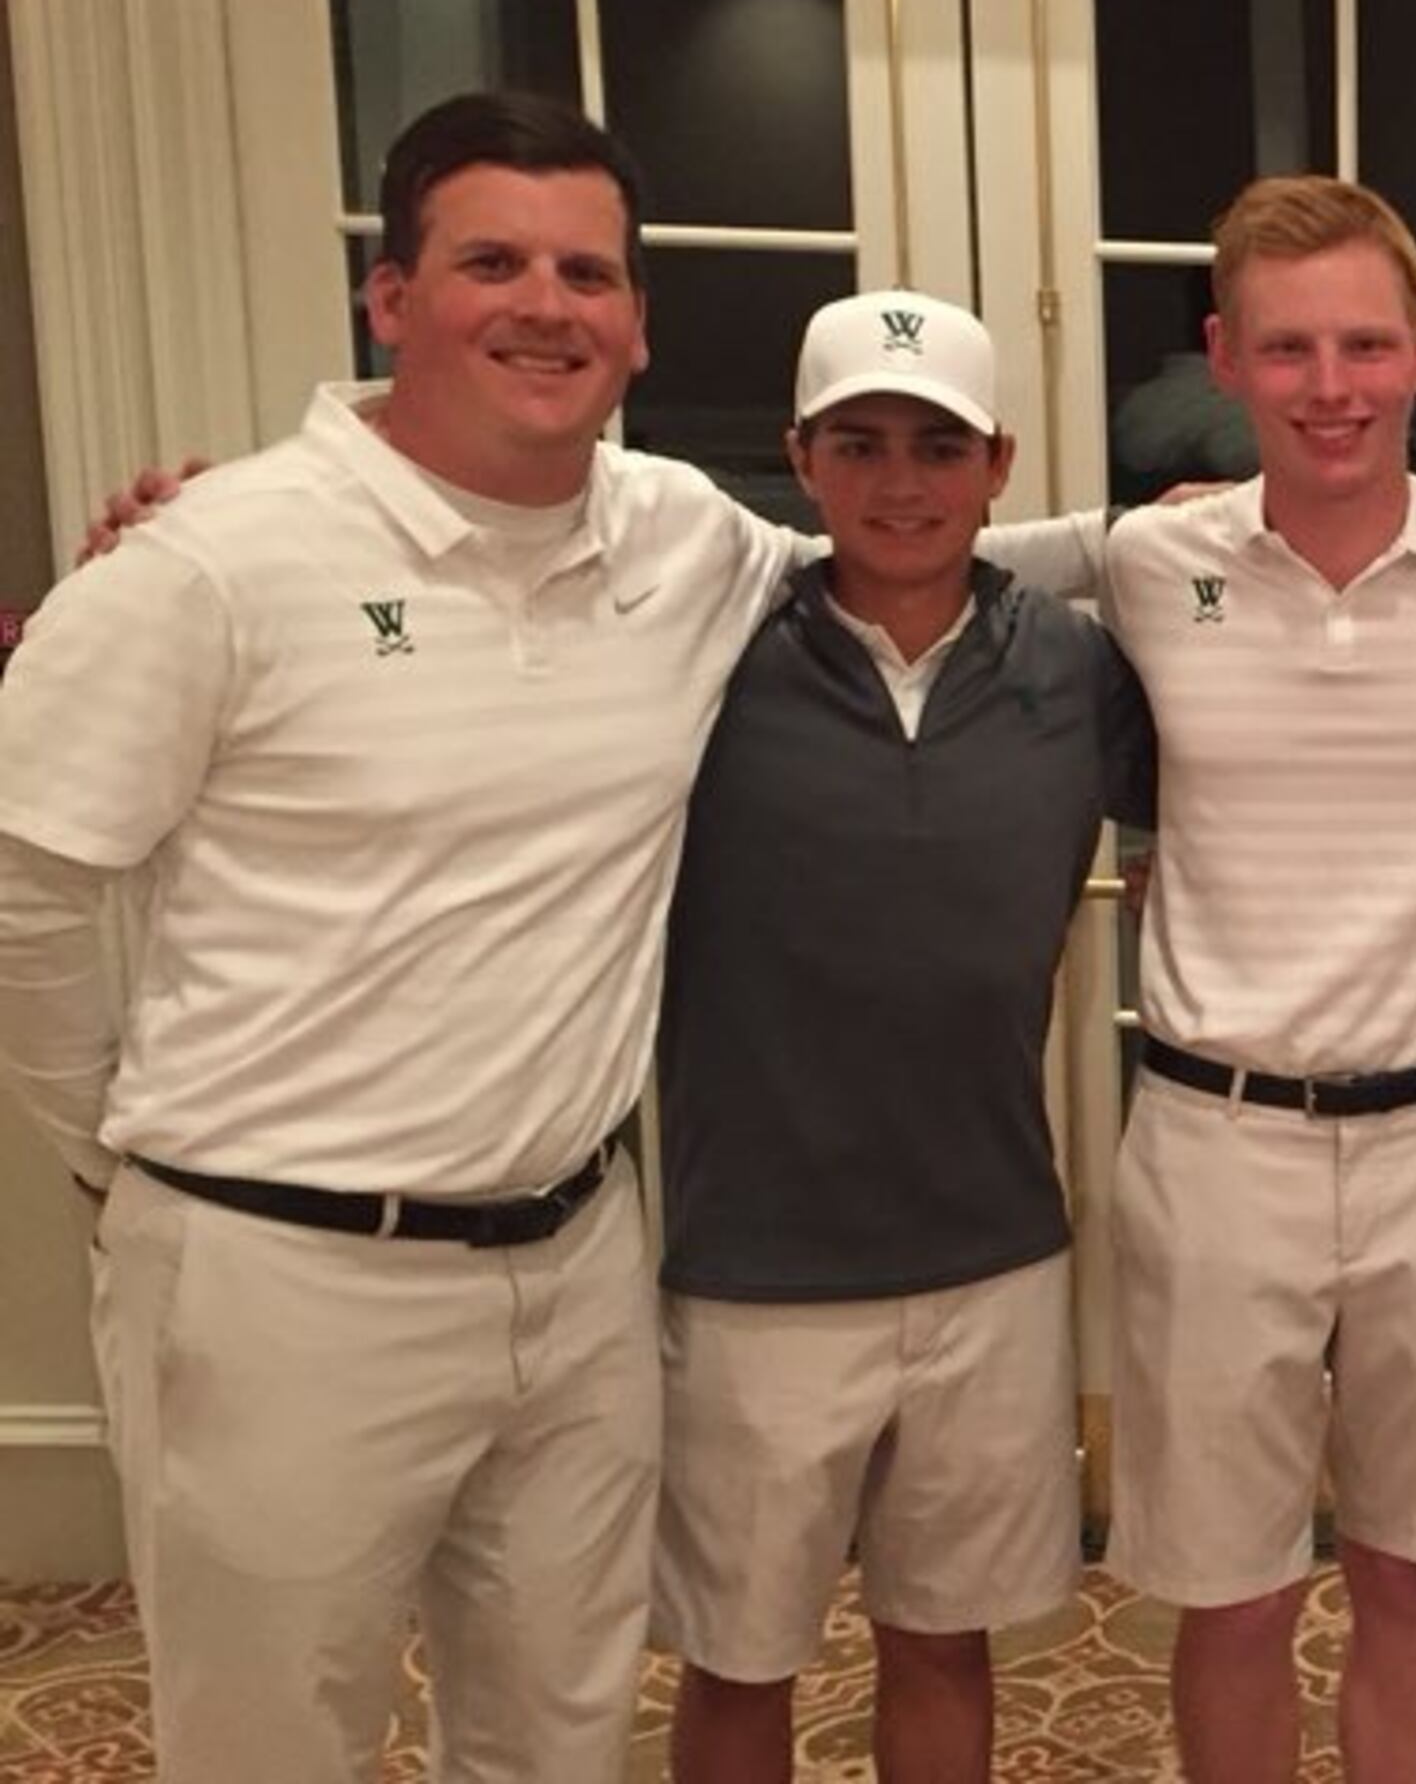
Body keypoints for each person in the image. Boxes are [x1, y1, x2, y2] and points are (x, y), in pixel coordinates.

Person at [0, 90, 808, 1779]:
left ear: (639, 325)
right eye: (492, 260)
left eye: (588, 272)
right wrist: (116, 1163)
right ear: (390, 297)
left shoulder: (678, 538)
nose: (546, 304)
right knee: (273, 1744)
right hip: (283, 1280)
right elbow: (29, 881)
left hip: (578, 1263)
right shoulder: (212, 560)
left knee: (558, 1737)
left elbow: (919, 564)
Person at [1089, 175, 1416, 1783]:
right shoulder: (1152, 563)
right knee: (1229, 1590)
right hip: (1216, 1141)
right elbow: (934, 549)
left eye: (1367, 345)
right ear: (1225, 358)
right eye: (1291, 350)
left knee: (1407, 1567)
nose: (1332, 387)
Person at [651, 291, 1151, 1783]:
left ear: (999, 464)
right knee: (742, 1657)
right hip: (757, 1272)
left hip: (990, 1251)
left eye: (939, 446)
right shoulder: (705, 657)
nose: (901, 482)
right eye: (860, 444)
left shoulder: (1077, 670)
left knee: (946, 1641)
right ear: (801, 461)